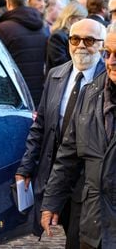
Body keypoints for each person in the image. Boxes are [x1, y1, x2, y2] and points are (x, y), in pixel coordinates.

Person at [16, 18, 106, 249]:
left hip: (88, 179)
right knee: (64, 226)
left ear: (102, 45)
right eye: (75, 39)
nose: (81, 45)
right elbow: (41, 125)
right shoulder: (57, 75)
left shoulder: (107, 80)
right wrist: (26, 166)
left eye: (89, 40)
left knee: (79, 238)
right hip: (56, 171)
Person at [40, 22, 116, 248]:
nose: (111, 62)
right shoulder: (90, 94)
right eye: (108, 54)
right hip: (93, 221)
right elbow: (68, 155)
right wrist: (52, 202)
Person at [0, 0, 47, 107]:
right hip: (38, 91)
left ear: (8, 1)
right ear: (27, 1)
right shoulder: (42, 28)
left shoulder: (2, 29)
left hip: (14, 93)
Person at [46, 0, 88, 74]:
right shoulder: (57, 36)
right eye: (79, 19)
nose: (82, 23)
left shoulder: (76, 35)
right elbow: (60, 63)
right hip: (59, 79)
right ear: (70, 18)